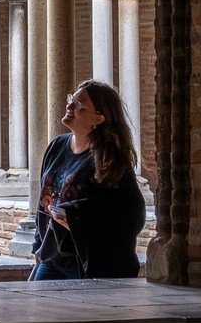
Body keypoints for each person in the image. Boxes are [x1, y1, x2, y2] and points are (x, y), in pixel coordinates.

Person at [31, 79, 145, 281]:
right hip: (53, 258)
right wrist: (38, 246)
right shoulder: (56, 147)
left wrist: (74, 217)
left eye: (79, 105)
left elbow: (129, 214)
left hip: (88, 263)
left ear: (98, 118)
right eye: (71, 100)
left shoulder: (109, 159)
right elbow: (44, 200)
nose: (69, 107)